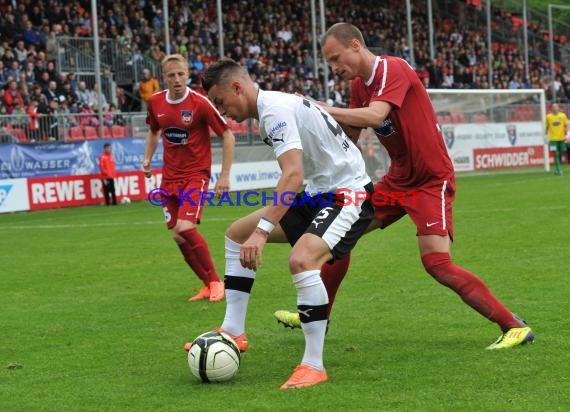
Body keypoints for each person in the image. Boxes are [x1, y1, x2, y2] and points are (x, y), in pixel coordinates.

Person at [274, 22, 534, 350]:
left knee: (436, 263)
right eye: (329, 63)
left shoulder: (392, 68)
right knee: (338, 236)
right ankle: (317, 315)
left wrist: (318, 107)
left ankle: (513, 326)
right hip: (397, 180)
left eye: (336, 58)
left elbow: (373, 116)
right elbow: (348, 142)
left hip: (431, 180)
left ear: (356, 44)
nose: (334, 68)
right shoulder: (358, 88)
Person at [185, 59, 374, 390]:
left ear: (237, 88)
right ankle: (233, 330)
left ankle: (314, 365)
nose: (221, 111)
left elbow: (292, 174)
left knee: (301, 260)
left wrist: (262, 232)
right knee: (236, 234)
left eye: (220, 102)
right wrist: (255, 230)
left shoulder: (272, 111)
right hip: (320, 193)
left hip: (349, 193)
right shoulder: (270, 108)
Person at [140, 54, 235, 303]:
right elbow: (153, 132)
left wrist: (224, 175)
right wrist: (147, 159)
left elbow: (227, 135)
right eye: (171, 75)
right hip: (169, 177)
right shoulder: (156, 102)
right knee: (177, 235)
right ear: (164, 78)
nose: (177, 79)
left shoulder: (200, 103)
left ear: (188, 75)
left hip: (195, 175)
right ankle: (206, 284)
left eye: (181, 74)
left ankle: (216, 281)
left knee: (185, 227)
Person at [545, 103, 568, 176]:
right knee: (556, 153)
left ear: (558, 108)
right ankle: (559, 169)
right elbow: (547, 127)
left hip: (561, 138)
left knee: (561, 153)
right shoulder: (548, 117)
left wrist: (566, 134)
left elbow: (566, 125)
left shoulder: (563, 116)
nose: (554, 108)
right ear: (551, 108)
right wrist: (545, 136)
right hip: (553, 139)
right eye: (553, 107)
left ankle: (557, 169)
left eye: (556, 107)